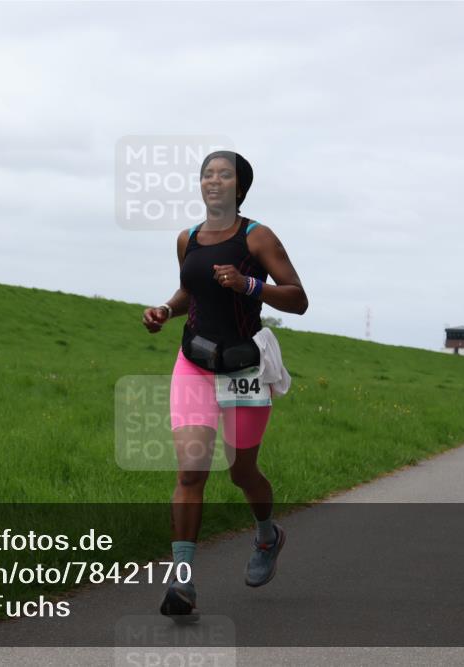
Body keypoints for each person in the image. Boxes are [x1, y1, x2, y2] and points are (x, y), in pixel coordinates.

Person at [141, 151, 308, 621]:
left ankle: (267, 535)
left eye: (224, 175)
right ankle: (183, 580)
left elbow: (298, 298)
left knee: (240, 472)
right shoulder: (187, 238)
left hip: (243, 366)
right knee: (191, 471)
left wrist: (248, 286)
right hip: (193, 360)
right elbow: (189, 292)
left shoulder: (258, 237)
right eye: (206, 174)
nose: (213, 181)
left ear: (240, 188)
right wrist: (164, 311)